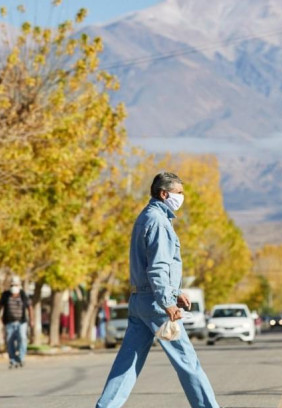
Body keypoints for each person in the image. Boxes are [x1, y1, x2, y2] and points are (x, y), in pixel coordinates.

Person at [96, 172, 219, 408]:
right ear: (164, 194)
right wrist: (168, 301)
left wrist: (176, 291)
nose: (182, 197)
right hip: (156, 304)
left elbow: (151, 265)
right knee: (186, 360)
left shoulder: (145, 216)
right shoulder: (158, 221)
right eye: (179, 193)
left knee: (128, 362)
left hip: (140, 300)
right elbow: (158, 267)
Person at [0, 276, 33, 368]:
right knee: (10, 341)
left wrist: (32, 320)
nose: (14, 287)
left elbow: (29, 307)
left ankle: (21, 357)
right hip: (9, 322)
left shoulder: (23, 294)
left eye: (16, 285)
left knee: (22, 338)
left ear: (19, 285)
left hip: (21, 322)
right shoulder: (6, 295)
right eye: (12, 285)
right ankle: (12, 359)